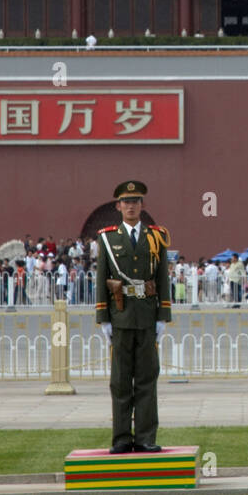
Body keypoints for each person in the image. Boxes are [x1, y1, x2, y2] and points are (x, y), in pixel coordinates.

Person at [95, 179, 172, 454]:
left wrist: (163, 315)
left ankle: (146, 437)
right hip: (120, 315)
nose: (131, 206)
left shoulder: (156, 236)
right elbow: (102, 277)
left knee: (147, 378)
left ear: (142, 205)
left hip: (147, 316)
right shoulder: (106, 237)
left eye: (136, 201)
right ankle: (121, 439)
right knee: (119, 381)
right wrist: (103, 318)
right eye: (126, 202)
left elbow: (162, 277)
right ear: (118, 206)